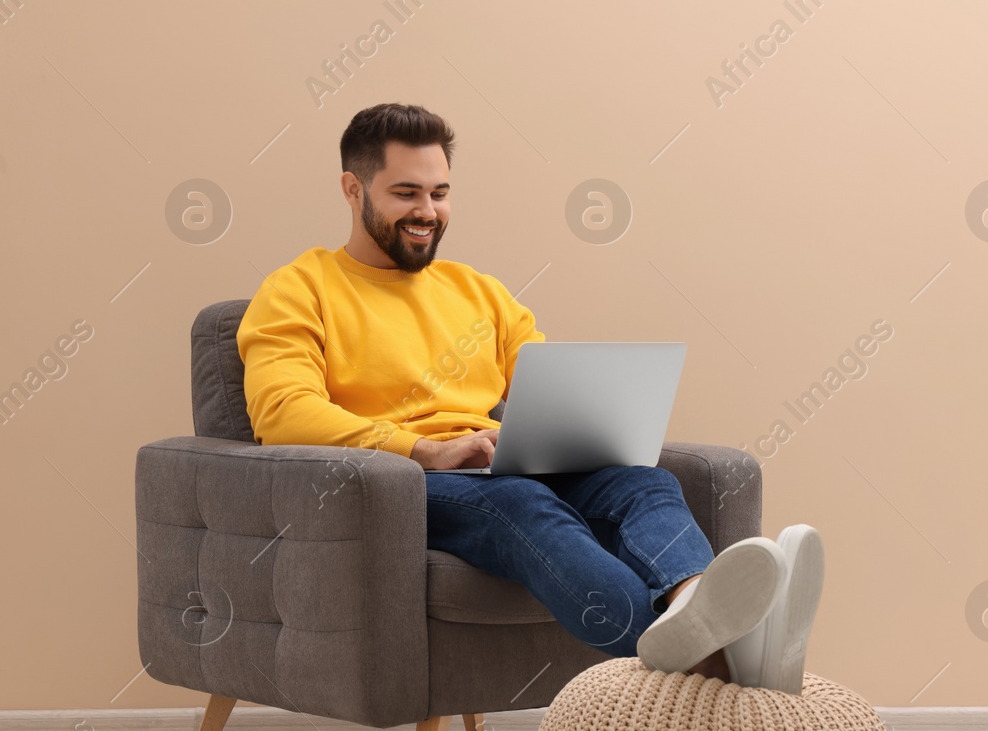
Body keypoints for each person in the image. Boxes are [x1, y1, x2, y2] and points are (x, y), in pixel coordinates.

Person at [235, 102, 822, 693]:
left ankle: (699, 608)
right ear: (352, 188)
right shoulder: (298, 288)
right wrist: (421, 450)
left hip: (493, 461)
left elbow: (547, 385)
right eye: (406, 193)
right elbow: (282, 413)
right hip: (402, 484)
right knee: (519, 502)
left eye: (439, 193)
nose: (427, 212)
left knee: (644, 481)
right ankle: (728, 660)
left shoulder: (478, 291)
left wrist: (583, 433)